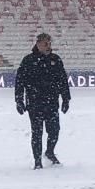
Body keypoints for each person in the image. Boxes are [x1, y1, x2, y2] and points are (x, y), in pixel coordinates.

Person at [15, 32, 70, 170]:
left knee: (54, 130)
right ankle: (37, 161)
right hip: (35, 103)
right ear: (38, 44)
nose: (48, 46)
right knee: (37, 133)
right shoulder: (28, 60)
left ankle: (50, 152)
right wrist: (19, 100)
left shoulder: (55, 59)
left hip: (52, 102)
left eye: (49, 43)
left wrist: (66, 99)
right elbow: (20, 82)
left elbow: (63, 80)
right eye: (46, 43)